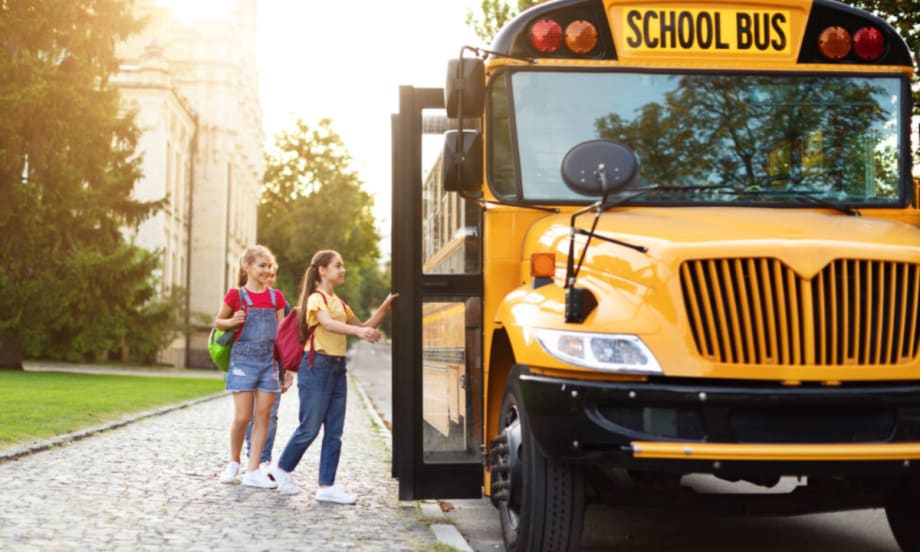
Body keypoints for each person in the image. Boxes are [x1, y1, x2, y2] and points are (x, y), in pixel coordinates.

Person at [271, 249, 398, 502]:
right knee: (310, 427)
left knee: (335, 431)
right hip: (317, 366)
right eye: (338, 266)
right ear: (322, 270)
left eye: (343, 265)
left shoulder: (340, 303)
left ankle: (326, 486)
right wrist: (358, 333)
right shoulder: (316, 299)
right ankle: (281, 468)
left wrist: (385, 306)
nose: (343, 270)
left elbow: (363, 327)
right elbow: (327, 324)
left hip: (337, 369)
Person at [215, 245, 287, 488]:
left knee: (263, 415)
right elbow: (218, 322)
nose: (267, 270)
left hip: (269, 362)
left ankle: (253, 470)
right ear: (247, 267)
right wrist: (231, 321)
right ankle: (234, 462)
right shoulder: (235, 295)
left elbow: (282, 335)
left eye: (269, 266)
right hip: (243, 360)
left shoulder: (277, 297)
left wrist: (285, 368)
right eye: (261, 265)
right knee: (243, 417)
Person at [244, 265, 294, 473]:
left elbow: (287, 339)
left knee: (270, 414)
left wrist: (288, 371)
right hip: (247, 364)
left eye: (273, 275)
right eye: (265, 272)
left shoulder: (283, 305)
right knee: (249, 414)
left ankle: (263, 459)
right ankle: (251, 456)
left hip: (274, 367)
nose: (269, 278)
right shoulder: (242, 298)